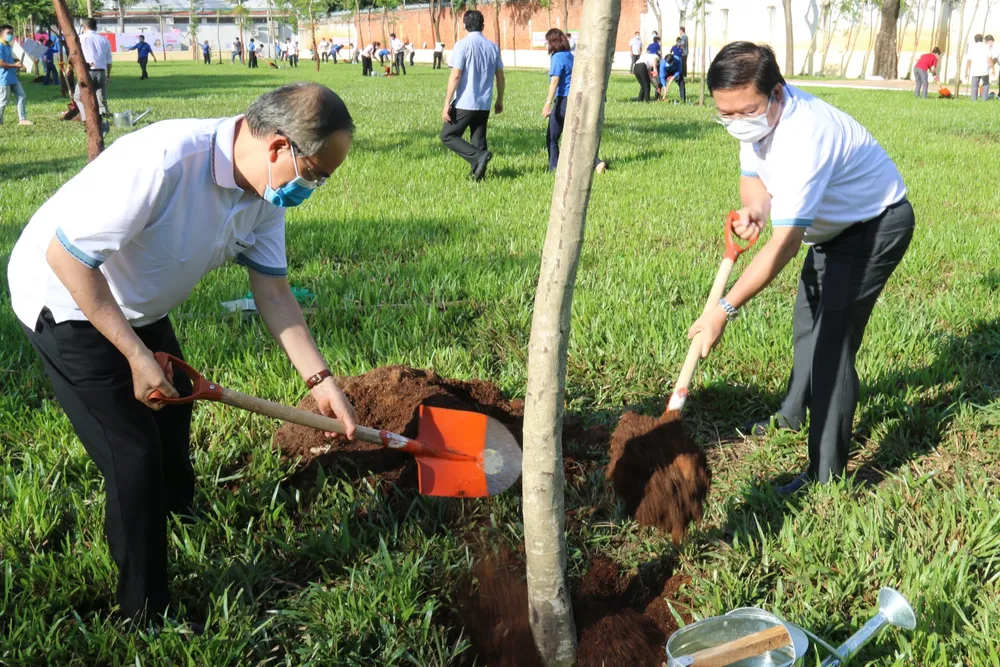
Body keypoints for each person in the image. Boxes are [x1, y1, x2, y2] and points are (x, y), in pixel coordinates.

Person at [8, 82, 359, 630]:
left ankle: (174, 510)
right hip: (65, 300)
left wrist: (321, 380)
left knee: (174, 414)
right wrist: (134, 354)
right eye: (314, 174)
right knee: (133, 457)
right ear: (278, 147)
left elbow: (274, 294)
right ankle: (144, 613)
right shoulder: (165, 162)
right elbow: (66, 259)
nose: (311, 188)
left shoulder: (262, 195)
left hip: (137, 304)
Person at [688, 42, 913, 496]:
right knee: (806, 323)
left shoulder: (806, 136)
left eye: (744, 111)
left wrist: (723, 310)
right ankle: (791, 413)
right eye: (725, 115)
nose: (736, 123)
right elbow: (753, 176)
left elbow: (785, 244)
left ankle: (825, 474)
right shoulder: (754, 124)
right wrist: (754, 210)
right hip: (831, 231)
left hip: (875, 225)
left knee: (832, 342)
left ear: (777, 94)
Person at [441, 10, 505, 181]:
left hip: (465, 102)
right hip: (484, 103)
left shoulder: (462, 45)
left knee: (448, 135)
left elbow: (455, 75)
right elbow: (500, 75)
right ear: (483, 25)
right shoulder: (493, 47)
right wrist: (499, 99)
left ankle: (479, 157)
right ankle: (479, 175)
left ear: (464, 25)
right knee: (478, 138)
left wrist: (447, 102)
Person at [541, 29, 606, 175]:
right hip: (576, 100)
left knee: (552, 138)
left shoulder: (556, 57)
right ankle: (596, 162)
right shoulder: (570, 56)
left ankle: (554, 169)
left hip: (563, 101)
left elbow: (555, 81)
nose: (546, 44)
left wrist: (548, 103)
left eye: (547, 41)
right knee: (576, 138)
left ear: (552, 42)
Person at [75, 18, 111, 124]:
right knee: (101, 98)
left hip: (86, 72)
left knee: (78, 96)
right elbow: (109, 60)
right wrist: (108, 75)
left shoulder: (80, 38)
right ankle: (103, 117)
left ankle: (86, 118)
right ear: (96, 27)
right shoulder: (104, 40)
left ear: (84, 27)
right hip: (101, 72)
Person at [0, 24, 32, 126]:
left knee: (21, 95)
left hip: (12, 77)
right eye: (8, 33)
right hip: (3, 78)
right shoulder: (0, 46)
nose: (10, 35)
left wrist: (18, 64)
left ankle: (22, 119)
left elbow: (8, 60)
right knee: (3, 101)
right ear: (1, 34)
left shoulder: (8, 46)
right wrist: (14, 65)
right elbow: (0, 63)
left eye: (12, 33)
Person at [965, 34, 992, 101]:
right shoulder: (986, 46)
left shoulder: (971, 47)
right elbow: (989, 58)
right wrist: (992, 67)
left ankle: (974, 100)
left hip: (975, 70)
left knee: (974, 86)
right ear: (982, 39)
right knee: (985, 84)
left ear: (975, 40)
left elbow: (969, 60)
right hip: (984, 70)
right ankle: (984, 99)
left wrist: (966, 70)